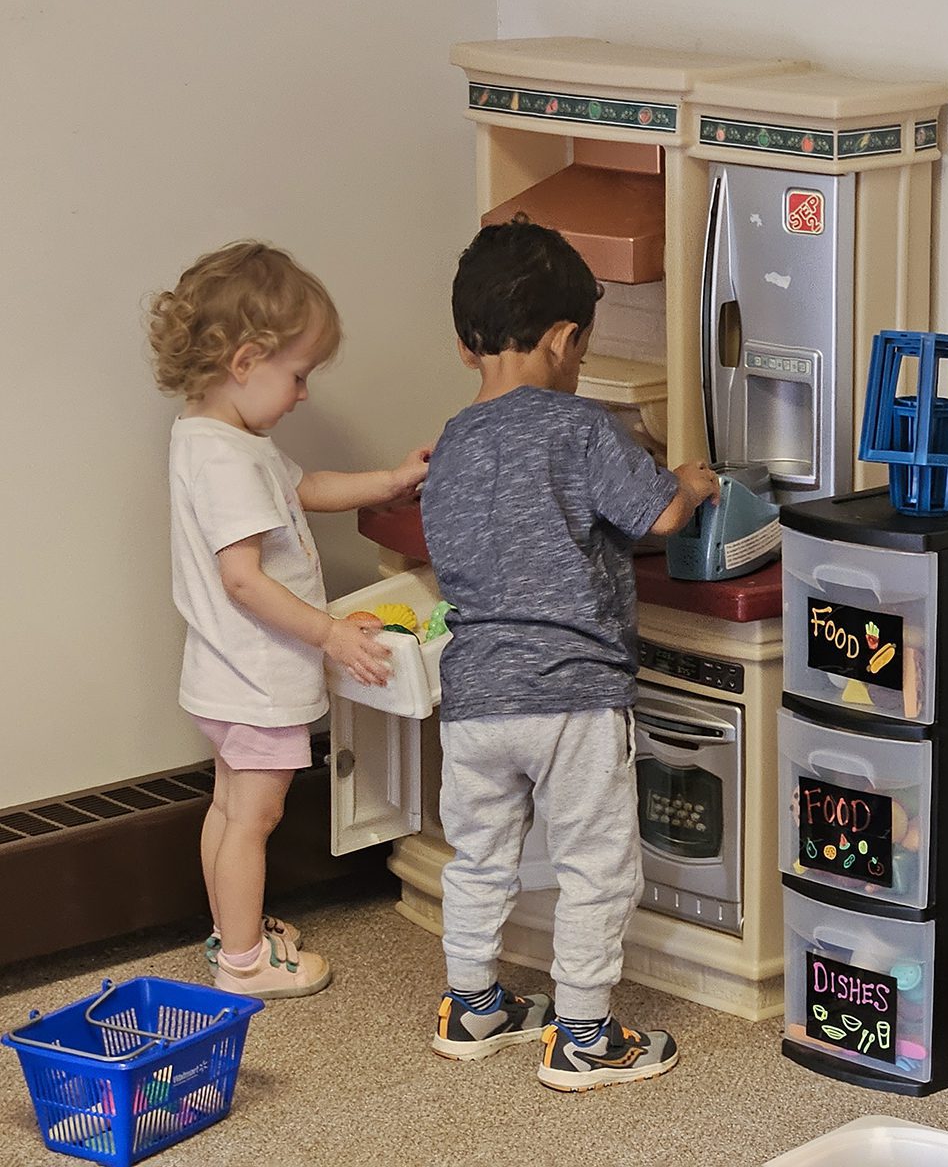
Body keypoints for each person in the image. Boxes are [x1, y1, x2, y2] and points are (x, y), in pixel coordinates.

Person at [420, 216, 721, 1090]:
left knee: (478, 854)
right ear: (563, 340)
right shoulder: (579, 427)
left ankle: (472, 1005)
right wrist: (693, 482)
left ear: (466, 339)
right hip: (572, 695)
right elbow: (658, 514)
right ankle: (584, 1032)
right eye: (583, 347)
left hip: (475, 697)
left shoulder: (451, 446)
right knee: (596, 865)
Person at [149, 241, 431, 999]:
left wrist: (393, 479)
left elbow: (306, 488)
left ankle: (231, 933)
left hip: (221, 672)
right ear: (246, 361)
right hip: (257, 674)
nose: (304, 394)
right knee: (255, 815)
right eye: (298, 375)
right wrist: (330, 633)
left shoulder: (215, 439)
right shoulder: (230, 462)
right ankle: (244, 963)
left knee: (231, 806)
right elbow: (242, 579)